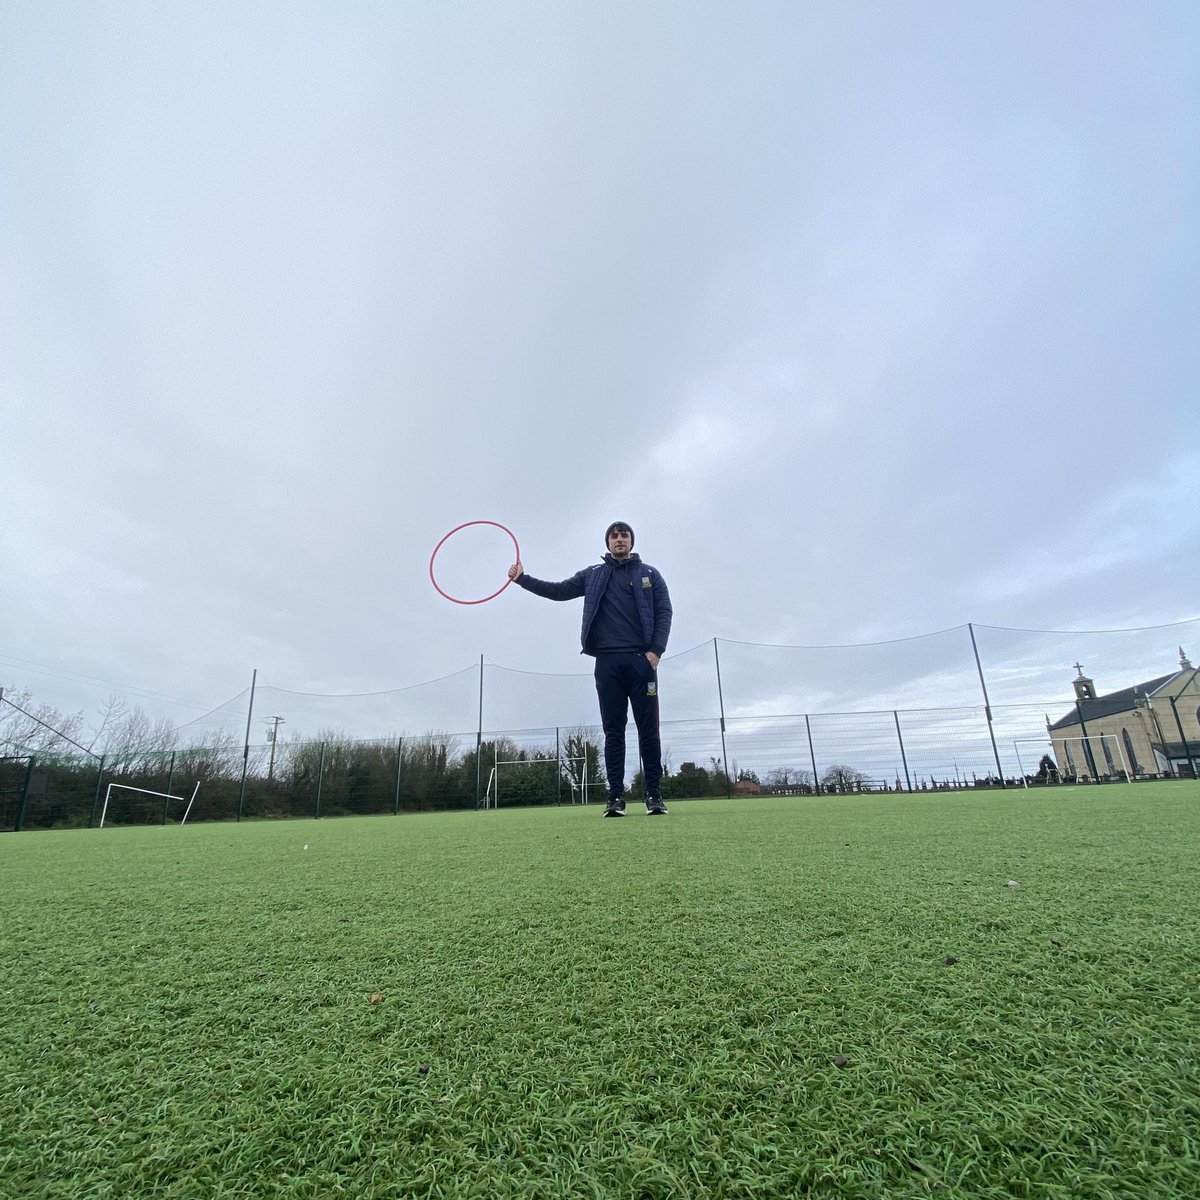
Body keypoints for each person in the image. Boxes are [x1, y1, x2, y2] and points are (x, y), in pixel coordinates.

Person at [508, 521, 672, 816]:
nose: (619, 539)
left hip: (641, 662)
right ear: (607, 543)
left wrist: (655, 651)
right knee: (613, 731)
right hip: (606, 663)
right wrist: (523, 579)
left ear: (632, 542)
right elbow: (558, 591)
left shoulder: (650, 574)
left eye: (624, 535)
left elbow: (664, 611)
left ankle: (654, 795)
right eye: (614, 535)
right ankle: (616, 797)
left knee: (649, 730)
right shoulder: (593, 575)